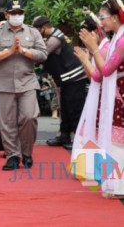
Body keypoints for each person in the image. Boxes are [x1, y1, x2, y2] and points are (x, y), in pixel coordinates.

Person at [0, 0, 48, 170]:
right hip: (3, 83)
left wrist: (24, 52)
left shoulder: (32, 33)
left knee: (29, 117)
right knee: (7, 122)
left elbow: (43, 54)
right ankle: (12, 155)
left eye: (20, 13)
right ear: (6, 14)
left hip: (27, 82)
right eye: (13, 13)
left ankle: (27, 153)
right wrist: (9, 52)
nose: (17, 16)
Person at [78, 0, 124, 198]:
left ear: (115, 17)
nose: (101, 20)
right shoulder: (118, 39)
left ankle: (119, 186)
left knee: (118, 141)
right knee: (115, 140)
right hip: (117, 96)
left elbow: (104, 72)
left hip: (120, 97)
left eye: (103, 16)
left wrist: (93, 50)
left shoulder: (120, 41)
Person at [32, 16, 87, 150]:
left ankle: (78, 140)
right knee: (66, 109)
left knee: (74, 109)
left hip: (74, 78)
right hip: (67, 80)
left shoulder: (55, 39)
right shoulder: (55, 35)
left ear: (43, 28)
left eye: (36, 30)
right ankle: (64, 135)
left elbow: (41, 55)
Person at [70, 9, 109, 183]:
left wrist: (87, 59)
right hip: (95, 94)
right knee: (89, 127)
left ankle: (97, 169)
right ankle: (88, 168)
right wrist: (85, 59)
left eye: (87, 34)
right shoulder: (98, 48)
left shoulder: (106, 47)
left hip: (103, 96)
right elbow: (90, 76)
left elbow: (99, 76)